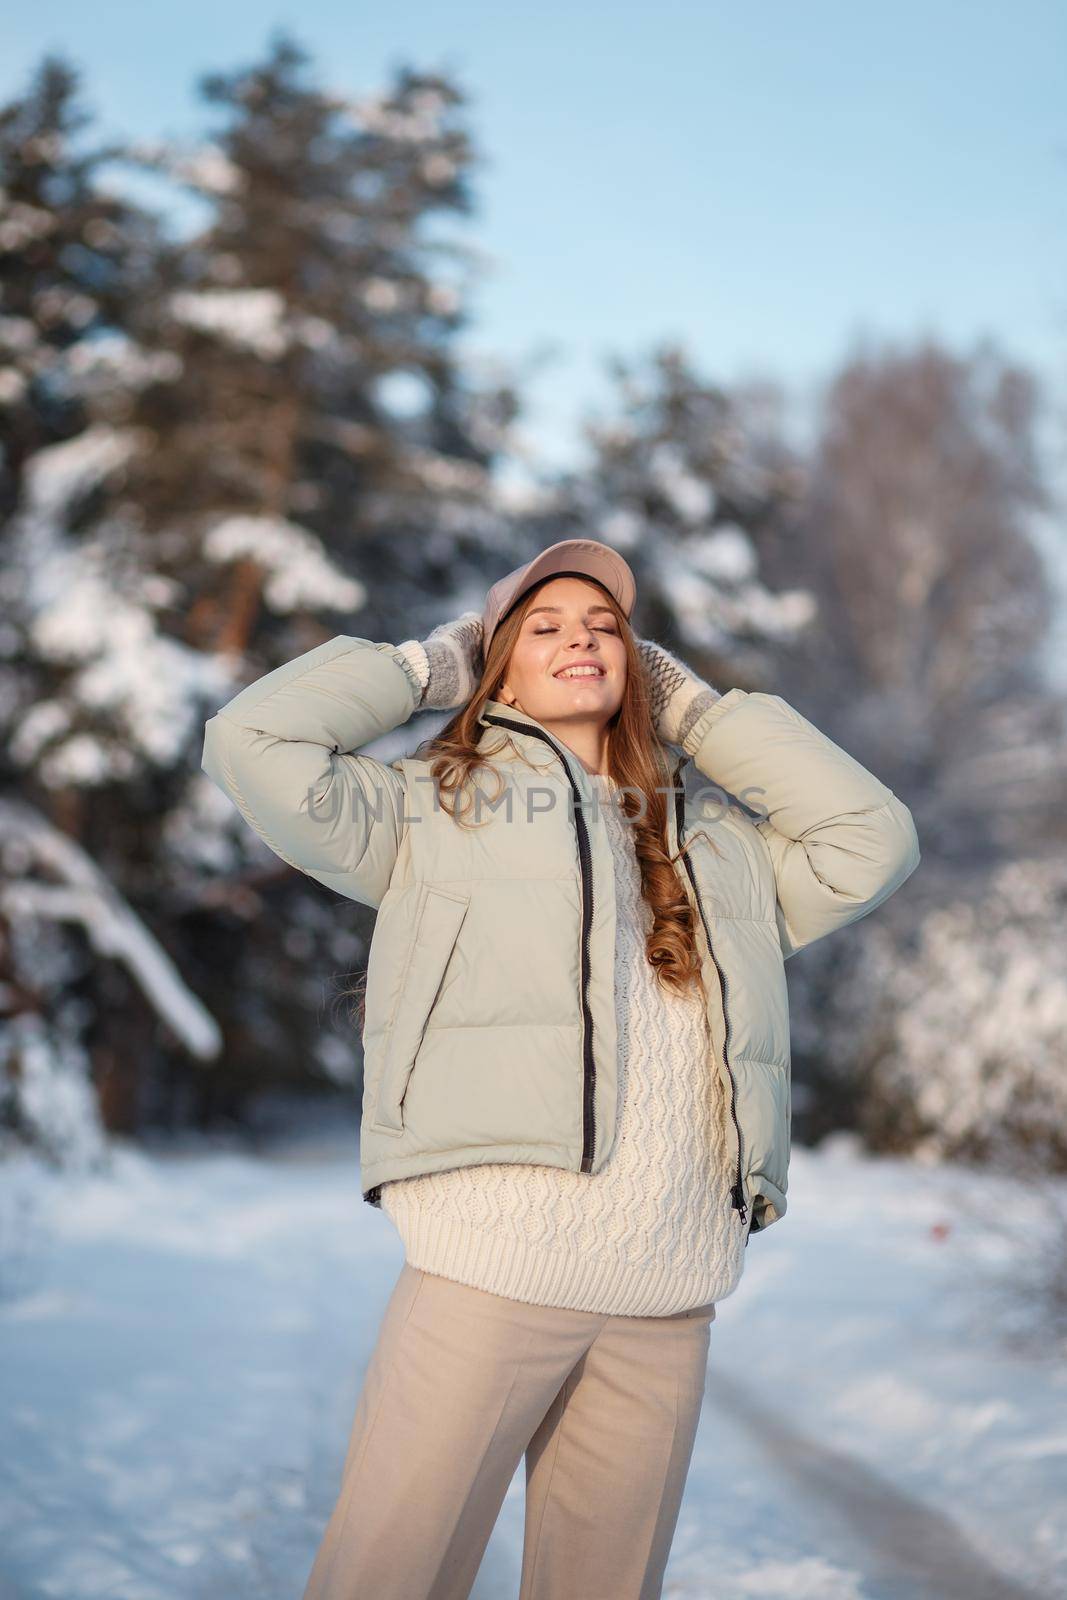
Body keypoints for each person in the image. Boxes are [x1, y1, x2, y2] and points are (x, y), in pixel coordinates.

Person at [201, 538, 921, 1600]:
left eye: (604, 627)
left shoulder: (714, 843)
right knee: (387, 1577)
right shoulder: (425, 809)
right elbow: (251, 738)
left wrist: (699, 712)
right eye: (542, 625)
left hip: (663, 1295)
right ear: (496, 669)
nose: (580, 636)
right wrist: (424, 667)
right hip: (489, 1272)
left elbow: (873, 837)